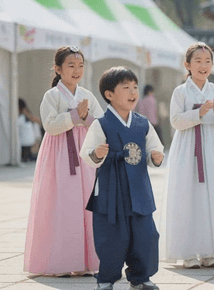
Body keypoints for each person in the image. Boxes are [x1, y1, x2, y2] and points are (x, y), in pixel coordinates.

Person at [162, 43, 214, 268]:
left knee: (212, 194)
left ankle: (208, 250)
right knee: (188, 194)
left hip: (213, 147)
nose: (203, 65)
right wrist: (198, 113)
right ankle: (187, 252)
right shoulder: (180, 91)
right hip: (188, 147)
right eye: (198, 61)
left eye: (207, 61)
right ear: (187, 65)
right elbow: (175, 121)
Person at [80, 67, 164, 290]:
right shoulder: (101, 123)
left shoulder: (142, 123)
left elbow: (155, 147)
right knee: (112, 238)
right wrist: (96, 154)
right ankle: (106, 280)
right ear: (109, 94)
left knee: (145, 236)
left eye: (135, 87)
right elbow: (86, 153)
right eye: (125, 87)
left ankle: (141, 278)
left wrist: (156, 156)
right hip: (111, 189)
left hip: (139, 188)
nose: (132, 92)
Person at [24, 46, 104, 276]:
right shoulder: (52, 95)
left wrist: (85, 116)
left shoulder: (87, 95)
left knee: (87, 202)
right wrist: (74, 116)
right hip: (59, 154)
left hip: (84, 153)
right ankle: (60, 262)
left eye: (80, 66)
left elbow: (100, 123)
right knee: (62, 202)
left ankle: (88, 261)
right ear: (58, 69)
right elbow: (49, 125)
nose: (77, 70)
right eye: (71, 65)